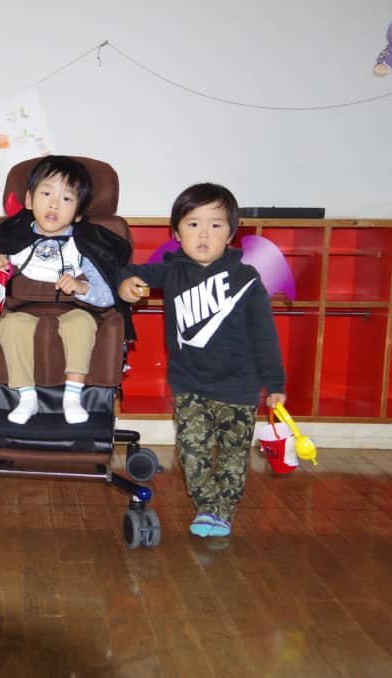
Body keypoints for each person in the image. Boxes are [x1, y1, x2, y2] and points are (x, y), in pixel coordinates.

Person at [117, 182, 286, 538]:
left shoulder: (246, 279)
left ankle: (224, 512)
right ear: (177, 233)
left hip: (239, 388)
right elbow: (126, 271)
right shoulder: (172, 270)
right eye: (193, 224)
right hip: (189, 385)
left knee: (233, 457)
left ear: (231, 234)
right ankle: (208, 507)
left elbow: (264, 335)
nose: (204, 234)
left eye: (216, 224)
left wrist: (275, 384)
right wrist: (125, 283)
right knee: (191, 452)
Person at [0, 155, 132, 425]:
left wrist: (81, 287)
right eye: (46, 193)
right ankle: (27, 397)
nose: (54, 204)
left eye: (66, 198)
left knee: (81, 323)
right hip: (23, 309)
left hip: (72, 309)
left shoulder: (83, 246)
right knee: (12, 326)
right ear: (29, 200)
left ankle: (73, 397)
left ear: (79, 213)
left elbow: (107, 295)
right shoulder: (13, 239)